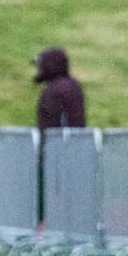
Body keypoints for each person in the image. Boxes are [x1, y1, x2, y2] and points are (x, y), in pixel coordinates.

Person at [34, 47, 86, 222]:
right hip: (74, 148)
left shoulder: (54, 90)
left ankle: (46, 222)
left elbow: (54, 123)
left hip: (56, 149)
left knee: (50, 188)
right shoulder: (73, 86)